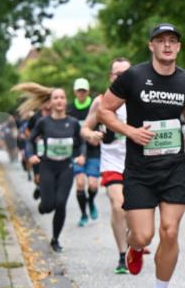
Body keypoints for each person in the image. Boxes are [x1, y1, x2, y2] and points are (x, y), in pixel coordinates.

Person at [97, 24, 185, 288]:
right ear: (151, 46)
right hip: (140, 169)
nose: (167, 45)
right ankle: (133, 247)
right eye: (161, 41)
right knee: (143, 236)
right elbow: (104, 111)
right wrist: (130, 131)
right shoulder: (134, 76)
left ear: (179, 47)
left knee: (170, 232)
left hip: (174, 168)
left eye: (172, 41)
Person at [15, 83, 86, 252]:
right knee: (48, 206)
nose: (59, 100)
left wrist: (82, 155)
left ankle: (55, 239)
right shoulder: (43, 122)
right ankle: (43, 205)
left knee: (61, 203)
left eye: (62, 97)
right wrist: (31, 155)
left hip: (66, 167)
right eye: (56, 98)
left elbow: (82, 142)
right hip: (47, 166)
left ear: (65, 101)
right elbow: (30, 140)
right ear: (51, 102)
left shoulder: (73, 123)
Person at [82, 57, 133, 274]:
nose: (121, 78)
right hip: (111, 161)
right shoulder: (101, 101)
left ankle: (134, 242)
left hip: (137, 162)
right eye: (117, 74)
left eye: (126, 74)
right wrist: (91, 134)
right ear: (110, 77)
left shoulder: (141, 99)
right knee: (117, 204)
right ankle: (123, 254)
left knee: (135, 211)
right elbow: (85, 128)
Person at [68, 77, 102, 227]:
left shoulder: (95, 107)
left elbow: (103, 127)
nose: (81, 93)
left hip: (93, 150)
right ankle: (83, 214)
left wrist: (99, 137)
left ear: (87, 91)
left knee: (93, 185)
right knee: (80, 183)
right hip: (76, 152)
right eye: (79, 90)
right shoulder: (70, 109)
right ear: (75, 92)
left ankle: (91, 201)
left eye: (84, 90)